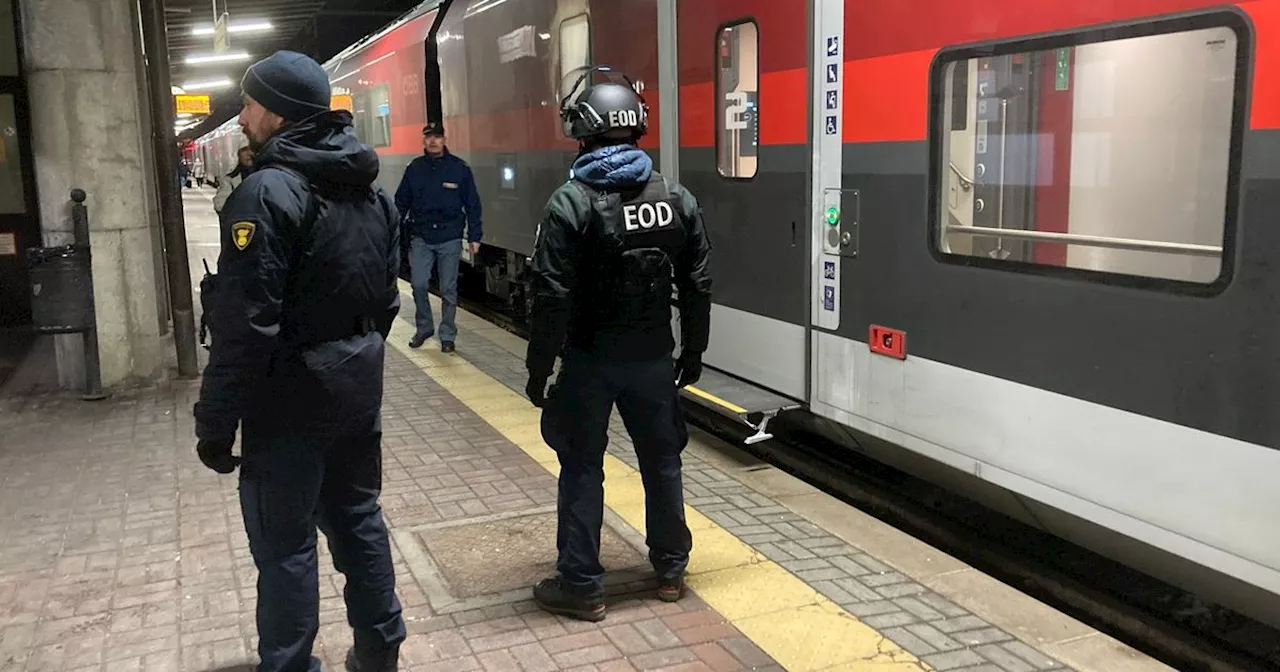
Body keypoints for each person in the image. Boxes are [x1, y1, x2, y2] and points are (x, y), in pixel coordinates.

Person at [192, 50, 406, 672]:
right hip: (356, 392)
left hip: (287, 404)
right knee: (359, 520)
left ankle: (288, 664)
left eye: (250, 103)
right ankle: (379, 650)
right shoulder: (370, 192)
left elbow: (245, 328)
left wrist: (215, 421)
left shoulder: (267, 194)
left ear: (278, 113)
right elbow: (386, 300)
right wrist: (353, 359)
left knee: (285, 549)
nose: (243, 115)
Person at [523, 70, 713, 622]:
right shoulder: (676, 196)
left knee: (582, 466)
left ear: (584, 135)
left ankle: (582, 584)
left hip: (589, 361)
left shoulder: (570, 203)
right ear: (636, 129)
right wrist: (693, 353)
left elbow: (552, 296)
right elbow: (698, 283)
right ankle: (671, 569)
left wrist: (539, 371)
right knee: (662, 462)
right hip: (654, 358)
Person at [393, 122, 482, 353]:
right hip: (421, 235)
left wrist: (475, 236)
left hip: (449, 236)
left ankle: (447, 335)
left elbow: (472, 204)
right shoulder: (414, 169)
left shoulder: (459, 169)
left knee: (449, 288)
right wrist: (391, 230)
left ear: (444, 140)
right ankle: (424, 328)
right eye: (429, 137)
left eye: (437, 137)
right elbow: (401, 202)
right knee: (419, 284)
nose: (433, 141)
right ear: (424, 141)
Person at [213, 146, 254, 213]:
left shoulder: (267, 175)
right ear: (239, 155)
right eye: (244, 150)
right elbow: (220, 205)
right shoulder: (229, 180)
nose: (249, 153)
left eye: (252, 150)